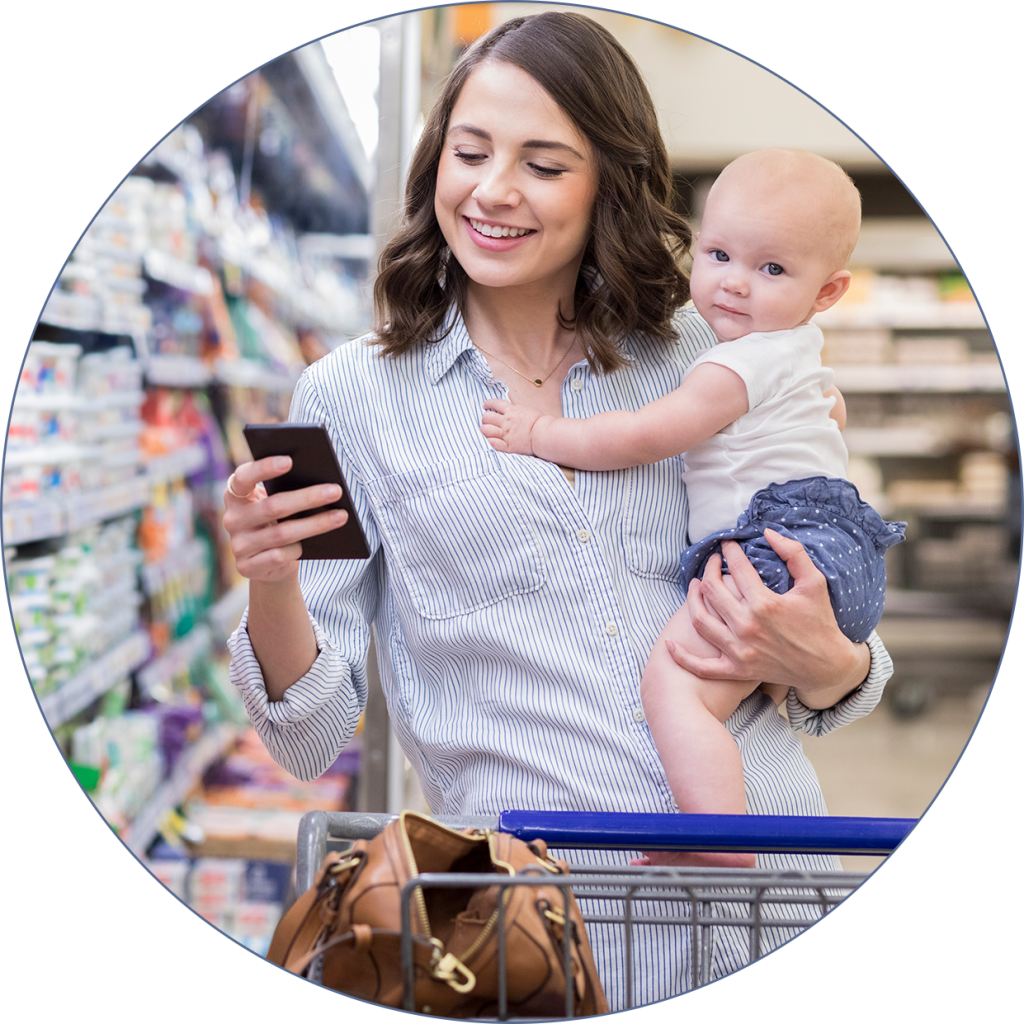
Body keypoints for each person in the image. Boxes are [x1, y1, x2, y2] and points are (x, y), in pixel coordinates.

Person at [223, 12, 894, 1008]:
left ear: (608, 184)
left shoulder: (707, 352)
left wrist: (836, 663)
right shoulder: (347, 398)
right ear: (434, 164)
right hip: (539, 945)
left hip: (772, 899)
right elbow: (309, 737)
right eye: (470, 151)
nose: (493, 190)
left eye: (543, 163)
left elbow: (835, 631)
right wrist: (272, 577)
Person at [481, 148, 906, 865]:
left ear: (827, 292)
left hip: (776, 551)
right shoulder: (797, 350)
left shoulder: (732, 361)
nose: (735, 284)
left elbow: (647, 434)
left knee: (672, 689)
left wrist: (542, 433)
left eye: (772, 269)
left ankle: (716, 842)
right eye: (718, 254)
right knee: (723, 698)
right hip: (837, 556)